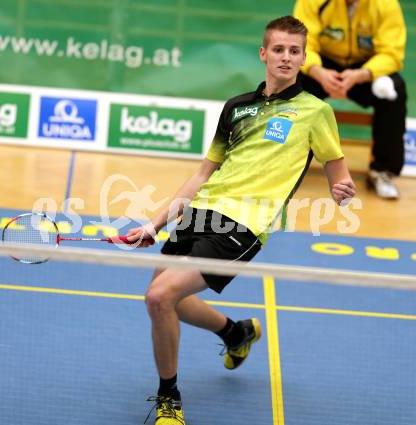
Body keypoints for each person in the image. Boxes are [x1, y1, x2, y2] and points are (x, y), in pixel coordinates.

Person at [128, 16, 356, 425]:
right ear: (263, 54)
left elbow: (338, 172)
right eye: (279, 49)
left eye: (294, 51)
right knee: (168, 301)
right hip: (201, 213)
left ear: (304, 58)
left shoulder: (315, 112)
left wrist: (342, 190)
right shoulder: (237, 107)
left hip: (244, 226)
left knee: (158, 297)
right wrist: (154, 223)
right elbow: (203, 175)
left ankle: (169, 399)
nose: (286, 57)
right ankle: (236, 333)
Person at [293, 0, 407, 199]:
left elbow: (392, 52)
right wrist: (316, 70)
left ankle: (381, 171)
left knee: (395, 90)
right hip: (322, 65)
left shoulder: (386, 4)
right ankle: (288, 164)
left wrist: (363, 74)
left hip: (366, 69)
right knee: (292, 81)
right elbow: (301, 42)